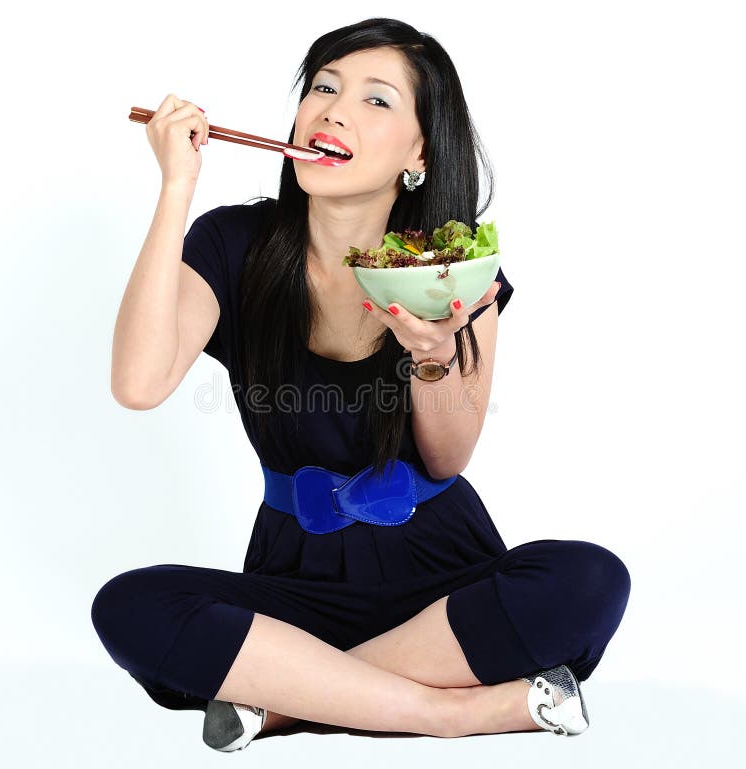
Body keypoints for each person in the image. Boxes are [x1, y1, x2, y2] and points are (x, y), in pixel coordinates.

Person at [91, 17, 631, 751]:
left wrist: (434, 356)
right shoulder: (233, 245)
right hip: (295, 582)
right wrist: (177, 188)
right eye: (322, 88)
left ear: (419, 150)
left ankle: (282, 704)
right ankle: (452, 710)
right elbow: (139, 380)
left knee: (589, 580)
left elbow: (445, 460)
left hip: (443, 578)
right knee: (130, 606)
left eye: (376, 100)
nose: (334, 111)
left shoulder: (454, 268)